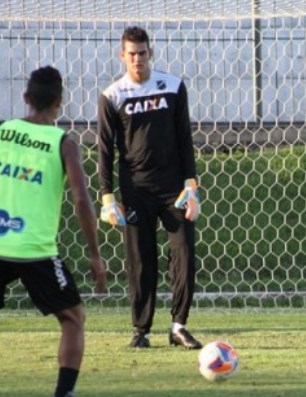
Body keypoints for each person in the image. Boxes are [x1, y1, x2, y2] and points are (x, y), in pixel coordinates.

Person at [0, 66, 107, 397]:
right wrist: (95, 255)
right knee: (73, 317)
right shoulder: (62, 143)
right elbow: (81, 200)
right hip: (34, 250)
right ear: (60, 103)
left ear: (26, 98)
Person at [98, 26, 202, 349]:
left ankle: (179, 326)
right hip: (135, 191)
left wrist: (192, 185)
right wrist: (107, 198)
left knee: (183, 251)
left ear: (150, 53)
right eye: (132, 54)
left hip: (174, 189)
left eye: (143, 53)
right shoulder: (112, 95)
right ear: (122, 56)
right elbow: (105, 150)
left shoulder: (172, 87)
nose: (138, 59)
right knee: (141, 260)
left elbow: (184, 139)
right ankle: (141, 330)